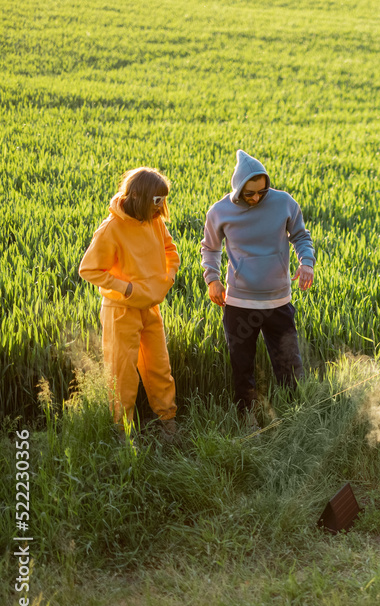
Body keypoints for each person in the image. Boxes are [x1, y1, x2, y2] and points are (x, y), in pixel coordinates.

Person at [200, 150, 315, 420]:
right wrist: (212, 279)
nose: (256, 198)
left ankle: (295, 417)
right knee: (243, 368)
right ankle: (246, 419)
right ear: (238, 188)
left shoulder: (284, 202)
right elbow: (210, 249)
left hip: (278, 303)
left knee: (289, 365)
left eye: (262, 192)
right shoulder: (219, 211)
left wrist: (306, 262)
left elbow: (300, 235)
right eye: (249, 193)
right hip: (239, 304)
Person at [79, 167, 179, 437]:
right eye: (156, 200)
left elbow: (171, 250)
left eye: (163, 200)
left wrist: (167, 278)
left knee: (159, 367)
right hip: (121, 311)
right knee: (122, 374)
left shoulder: (154, 220)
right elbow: (88, 269)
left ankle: (168, 422)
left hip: (151, 308)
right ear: (137, 196)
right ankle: (122, 434)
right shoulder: (111, 228)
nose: (161, 207)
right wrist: (127, 289)